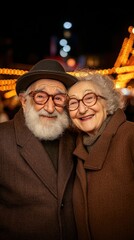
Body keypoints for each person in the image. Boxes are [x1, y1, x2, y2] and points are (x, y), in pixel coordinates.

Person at [0, 59, 78, 240]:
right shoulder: (2, 138)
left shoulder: (74, 138)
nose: (50, 108)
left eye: (58, 98)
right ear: (24, 101)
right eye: (40, 97)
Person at [67, 69, 134, 240]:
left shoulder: (130, 136)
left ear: (107, 102)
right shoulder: (75, 147)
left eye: (90, 98)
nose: (82, 109)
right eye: (73, 103)